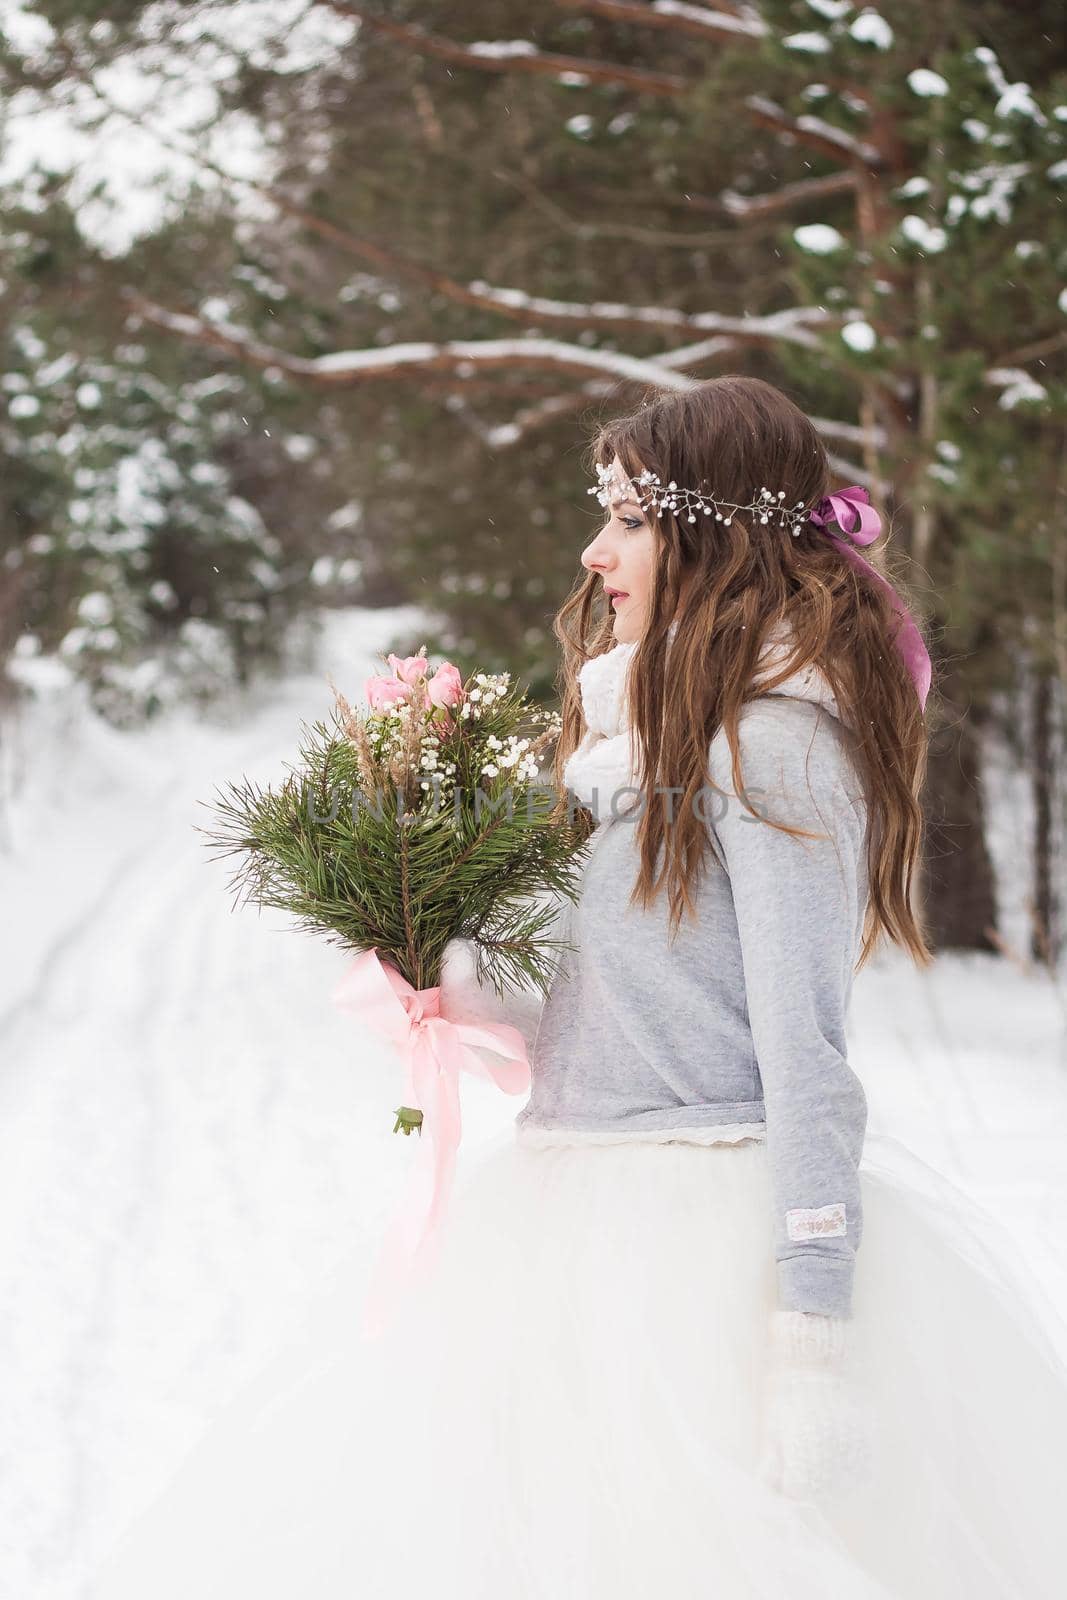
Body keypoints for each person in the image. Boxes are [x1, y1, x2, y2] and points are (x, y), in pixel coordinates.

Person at [90, 376, 1067, 1599]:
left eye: (629, 519)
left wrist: (810, 1333)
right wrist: (454, 983)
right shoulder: (631, 746)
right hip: (562, 1208)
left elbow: (804, 1050)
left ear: (710, 533)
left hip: (701, 1248)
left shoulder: (775, 750)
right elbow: (624, 1012)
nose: (594, 550)